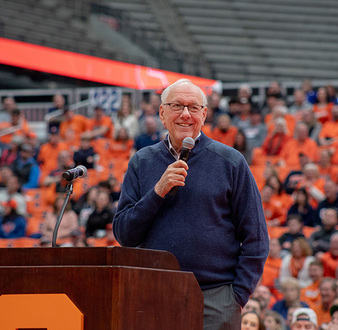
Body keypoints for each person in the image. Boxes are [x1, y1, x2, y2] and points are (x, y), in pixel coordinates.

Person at [113, 79, 269, 329]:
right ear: (162, 113)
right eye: (177, 106)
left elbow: (256, 237)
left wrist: (236, 296)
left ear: (204, 114)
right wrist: (157, 191)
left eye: (194, 108)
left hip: (216, 298)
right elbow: (124, 234)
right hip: (154, 295)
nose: (185, 114)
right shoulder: (142, 162)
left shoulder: (231, 162)